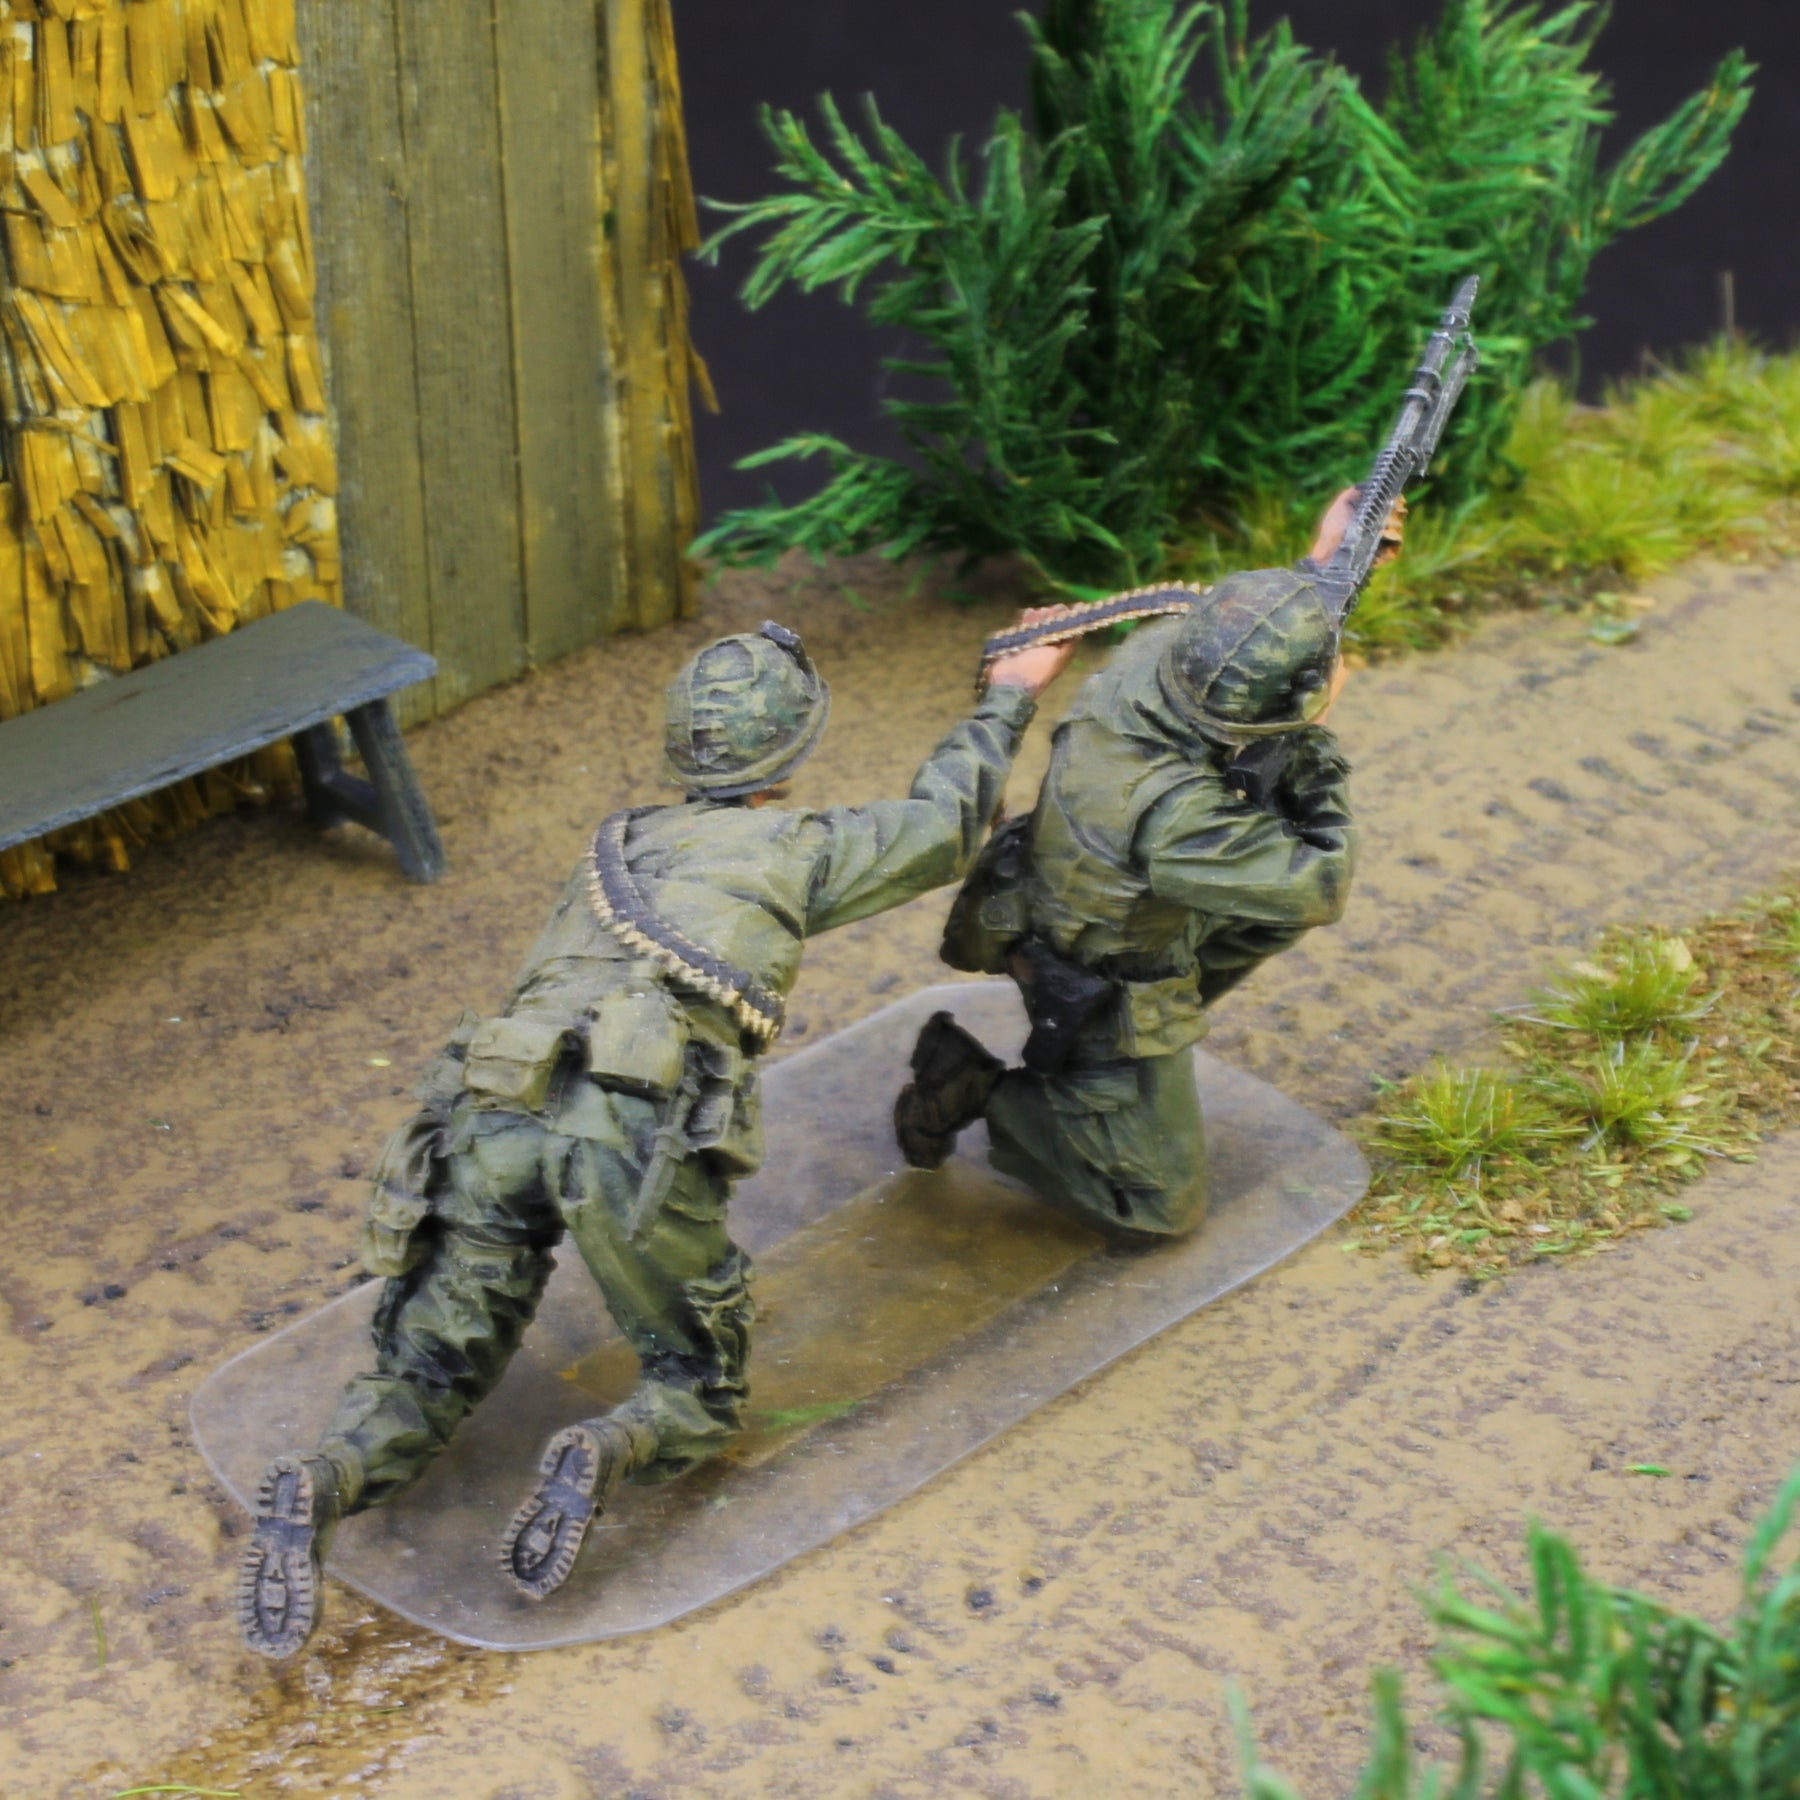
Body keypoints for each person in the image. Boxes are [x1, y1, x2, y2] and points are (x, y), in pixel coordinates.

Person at [238, 612, 1074, 1657]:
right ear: (791, 753)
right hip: (626, 1130)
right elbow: (947, 824)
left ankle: (330, 1475)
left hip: (492, 1108)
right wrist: (1012, 691)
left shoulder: (612, 844)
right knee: (698, 1376)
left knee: (430, 1360)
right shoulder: (801, 845)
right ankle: (613, 1443)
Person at [893, 489, 1399, 1240]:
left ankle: (1128, 1067)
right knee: (1157, 1211)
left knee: (1261, 912)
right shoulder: (1175, 818)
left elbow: (1244, 638)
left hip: (1061, 885)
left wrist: (1327, 562)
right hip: (1103, 973)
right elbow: (1320, 883)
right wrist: (1312, 739)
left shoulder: (1161, 653)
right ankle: (979, 1088)